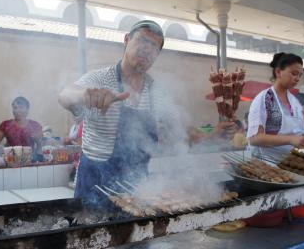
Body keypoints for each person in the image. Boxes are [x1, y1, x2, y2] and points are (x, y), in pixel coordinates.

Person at [59, 20, 237, 207]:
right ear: (127, 39)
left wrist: (212, 135)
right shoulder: (100, 78)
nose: (147, 49)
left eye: (154, 46)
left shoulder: (157, 92)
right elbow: (64, 95)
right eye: (143, 40)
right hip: (94, 184)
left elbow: (181, 134)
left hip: (137, 188)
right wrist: (85, 94)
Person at [247, 52, 304, 155]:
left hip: (292, 164)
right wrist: (290, 139)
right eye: (294, 73)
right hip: (266, 164)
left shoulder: (296, 103)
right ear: (278, 72)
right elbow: (254, 138)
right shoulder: (264, 99)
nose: (297, 78)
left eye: (300, 75)